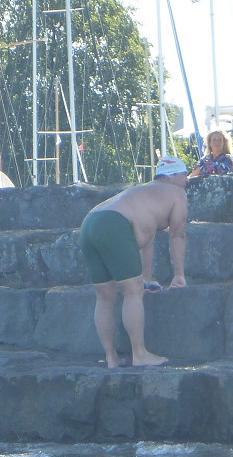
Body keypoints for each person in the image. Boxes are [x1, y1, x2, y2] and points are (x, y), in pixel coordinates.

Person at [78, 156, 189, 368]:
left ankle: (111, 358)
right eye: (185, 176)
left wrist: (146, 278)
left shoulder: (144, 193)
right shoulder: (177, 193)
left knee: (104, 297)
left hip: (90, 222)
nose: (186, 181)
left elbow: (146, 240)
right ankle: (139, 354)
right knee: (132, 291)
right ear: (174, 175)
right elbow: (177, 235)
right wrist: (179, 275)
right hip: (115, 225)